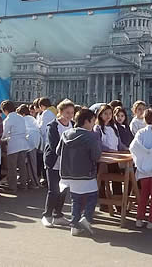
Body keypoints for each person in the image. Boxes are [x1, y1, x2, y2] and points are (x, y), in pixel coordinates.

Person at [56, 108, 102, 236]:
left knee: (75, 199)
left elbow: (58, 151)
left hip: (68, 173)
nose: (93, 124)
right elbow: (96, 156)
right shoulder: (91, 136)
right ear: (86, 121)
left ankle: (74, 225)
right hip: (86, 172)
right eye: (93, 121)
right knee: (92, 196)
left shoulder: (66, 134)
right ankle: (86, 218)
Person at [42, 99, 76, 228]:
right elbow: (54, 145)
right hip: (54, 161)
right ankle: (47, 215)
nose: (70, 115)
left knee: (63, 190)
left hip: (67, 163)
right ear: (60, 112)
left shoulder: (73, 125)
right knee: (54, 190)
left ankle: (58, 215)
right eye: (67, 112)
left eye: (72, 112)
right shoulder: (53, 126)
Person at [94, 104, 125, 204]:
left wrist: (126, 149)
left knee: (117, 180)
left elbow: (119, 143)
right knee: (102, 181)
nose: (108, 116)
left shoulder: (114, 127)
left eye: (110, 114)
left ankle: (118, 203)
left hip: (114, 158)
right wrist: (109, 150)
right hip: (103, 159)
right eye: (105, 114)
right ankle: (103, 203)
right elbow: (98, 144)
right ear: (100, 115)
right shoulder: (97, 128)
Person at [1, 100, 29, 192]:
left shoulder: (8, 119)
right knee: (22, 166)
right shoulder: (20, 117)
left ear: (5, 110)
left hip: (13, 144)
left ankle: (12, 187)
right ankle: (23, 185)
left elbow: (4, 133)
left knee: (12, 167)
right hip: (23, 143)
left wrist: (2, 139)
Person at [18, 104, 41, 189]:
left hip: (29, 143)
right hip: (35, 142)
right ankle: (31, 181)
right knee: (31, 163)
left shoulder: (23, 119)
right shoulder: (32, 118)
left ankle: (35, 183)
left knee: (30, 164)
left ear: (22, 114)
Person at [38, 97, 58, 184]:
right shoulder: (55, 111)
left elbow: (42, 128)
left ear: (42, 106)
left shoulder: (46, 113)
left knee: (46, 159)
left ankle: (45, 179)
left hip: (46, 138)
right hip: (54, 137)